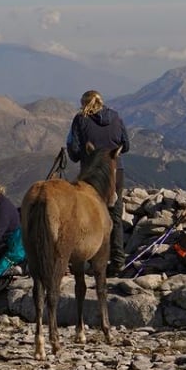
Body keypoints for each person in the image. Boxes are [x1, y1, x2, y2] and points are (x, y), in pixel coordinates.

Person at [66, 89, 130, 274]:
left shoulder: (80, 120)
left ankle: (93, 260)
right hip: (116, 171)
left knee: (90, 215)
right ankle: (118, 261)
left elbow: (75, 152)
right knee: (115, 216)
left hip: (92, 174)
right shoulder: (116, 116)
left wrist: (87, 153)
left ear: (84, 103)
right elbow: (126, 145)